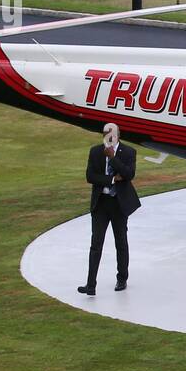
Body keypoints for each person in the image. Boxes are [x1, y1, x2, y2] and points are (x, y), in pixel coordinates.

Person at [78, 123, 141, 296]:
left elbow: (128, 175)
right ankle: (91, 285)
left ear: (118, 135)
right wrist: (112, 180)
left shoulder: (129, 152)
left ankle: (122, 278)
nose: (109, 137)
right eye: (106, 134)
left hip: (119, 203)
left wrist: (113, 158)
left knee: (120, 242)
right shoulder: (95, 151)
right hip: (101, 203)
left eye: (112, 134)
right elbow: (90, 177)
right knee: (96, 243)